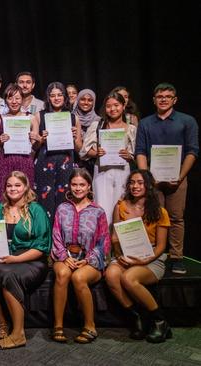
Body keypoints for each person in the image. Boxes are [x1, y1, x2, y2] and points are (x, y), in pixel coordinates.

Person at [0, 171, 51, 349]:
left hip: (31, 261)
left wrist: (14, 259)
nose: (13, 189)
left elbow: (42, 247)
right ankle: (3, 322)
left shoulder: (36, 210)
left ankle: (18, 334)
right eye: (9, 185)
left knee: (9, 277)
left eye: (17, 185)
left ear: (26, 187)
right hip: (5, 260)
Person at [135, 83, 198, 274]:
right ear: (154, 100)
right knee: (152, 216)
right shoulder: (145, 123)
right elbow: (140, 151)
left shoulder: (187, 121)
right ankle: (155, 254)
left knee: (176, 217)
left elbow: (192, 151)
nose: (163, 99)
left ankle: (176, 257)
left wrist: (180, 177)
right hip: (152, 179)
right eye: (159, 96)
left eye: (167, 96)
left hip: (176, 177)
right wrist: (147, 178)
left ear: (174, 100)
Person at [104, 170, 172, 343]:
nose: (135, 186)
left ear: (148, 185)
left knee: (128, 278)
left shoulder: (160, 212)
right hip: (125, 255)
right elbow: (115, 237)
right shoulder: (121, 206)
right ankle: (137, 317)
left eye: (140, 183)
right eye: (132, 182)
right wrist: (119, 255)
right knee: (111, 274)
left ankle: (159, 320)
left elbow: (162, 246)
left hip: (151, 258)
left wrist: (145, 260)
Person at [51, 169, 110, 344]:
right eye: (74, 184)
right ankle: (58, 325)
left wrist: (88, 259)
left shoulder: (98, 211)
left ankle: (90, 325)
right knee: (62, 274)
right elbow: (56, 235)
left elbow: (103, 241)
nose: (78, 188)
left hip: (90, 259)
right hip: (65, 256)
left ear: (89, 186)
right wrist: (63, 256)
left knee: (78, 277)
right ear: (70, 186)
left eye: (82, 185)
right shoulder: (62, 208)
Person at [80, 92, 136, 225]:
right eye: (108, 106)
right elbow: (84, 151)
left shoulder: (131, 129)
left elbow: (134, 154)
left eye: (116, 105)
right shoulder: (97, 125)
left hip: (122, 171)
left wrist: (129, 156)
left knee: (121, 208)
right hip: (102, 171)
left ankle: (118, 243)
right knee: (102, 209)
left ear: (123, 106)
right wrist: (96, 153)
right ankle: (104, 244)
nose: (113, 109)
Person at [33, 82, 83, 220]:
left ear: (65, 97)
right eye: (52, 95)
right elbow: (34, 147)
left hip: (66, 164)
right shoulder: (39, 116)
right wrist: (41, 140)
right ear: (48, 98)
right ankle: (46, 237)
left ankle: (62, 237)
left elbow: (79, 149)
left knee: (65, 200)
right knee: (44, 202)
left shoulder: (74, 118)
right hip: (45, 163)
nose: (56, 98)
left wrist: (74, 138)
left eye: (60, 95)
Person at [0, 83, 38, 199]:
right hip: (4, 162)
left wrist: (37, 139)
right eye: (10, 98)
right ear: (6, 100)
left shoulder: (31, 118)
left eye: (17, 98)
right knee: (5, 195)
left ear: (22, 100)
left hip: (25, 161)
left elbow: (36, 146)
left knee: (26, 195)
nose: (14, 101)